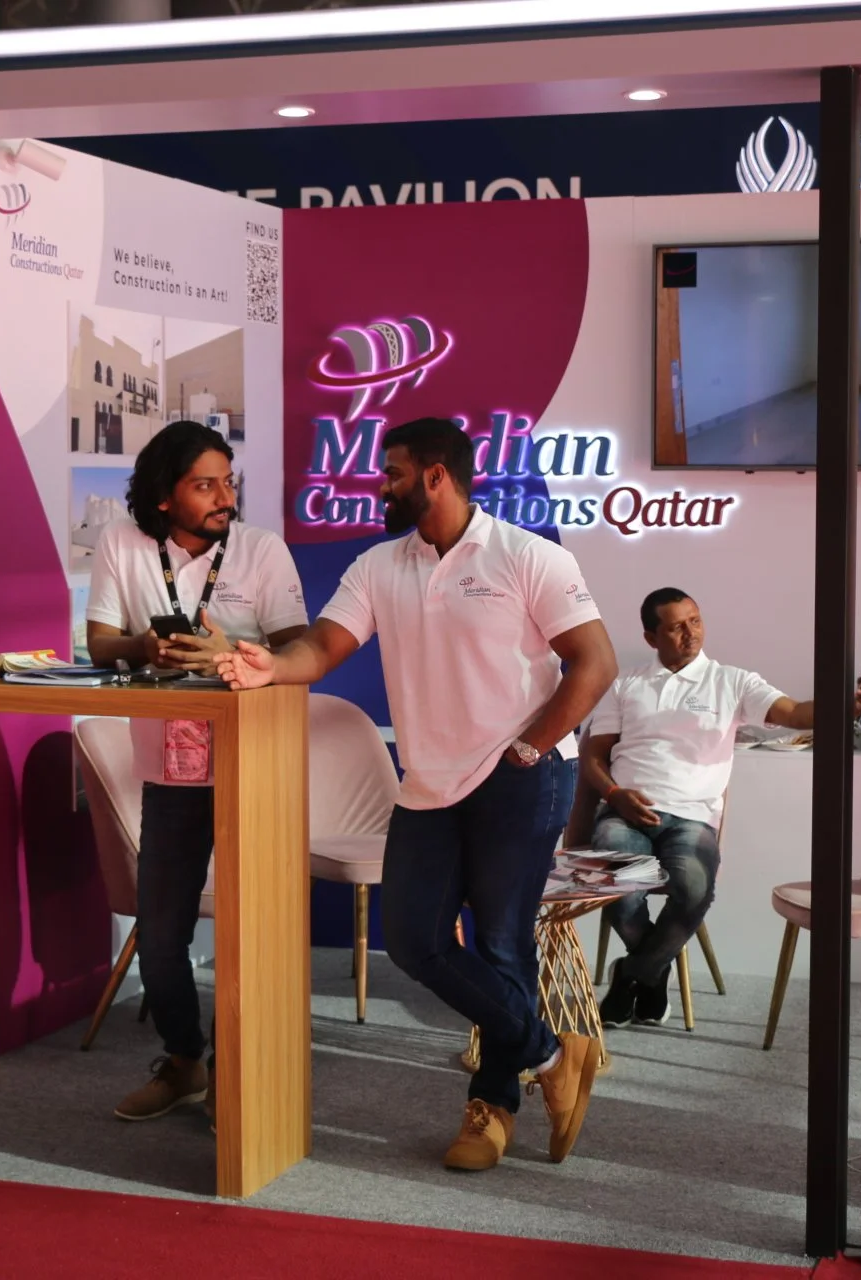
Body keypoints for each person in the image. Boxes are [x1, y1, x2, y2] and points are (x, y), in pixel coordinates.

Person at [214, 417, 619, 1173]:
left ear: (436, 475)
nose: (382, 484)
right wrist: (272, 667)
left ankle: (492, 1110)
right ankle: (552, 1053)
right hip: (428, 784)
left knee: (501, 945)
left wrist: (530, 748)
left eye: (393, 471)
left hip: (520, 776)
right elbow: (323, 647)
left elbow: (594, 663)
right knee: (414, 941)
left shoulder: (526, 555)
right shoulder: (378, 567)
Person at [84, 421, 309, 1126]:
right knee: (160, 935)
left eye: (228, 481)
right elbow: (98, 646)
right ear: (163, 497)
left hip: (252, 772)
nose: (223, 497)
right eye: (205, 484)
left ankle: (249, 1076)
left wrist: (228, 650)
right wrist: (144, 644)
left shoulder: (261, 550)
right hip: (170, 771)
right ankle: (186, 1062)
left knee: (256, 934)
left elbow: (299, 648)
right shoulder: (122, 545)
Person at [582, 587, 861, 1027]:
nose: (690, 633)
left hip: (691, 817)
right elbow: (593, 757)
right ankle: (652, 977)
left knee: (694, 889)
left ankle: (633, 975)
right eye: (676, 626)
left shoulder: (732, 681)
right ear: (650, 636)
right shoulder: (627, 684)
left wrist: (847, 705)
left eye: (695, 621)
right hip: (625, 811)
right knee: (617, 887)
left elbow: (793, 712)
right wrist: (615, 794)